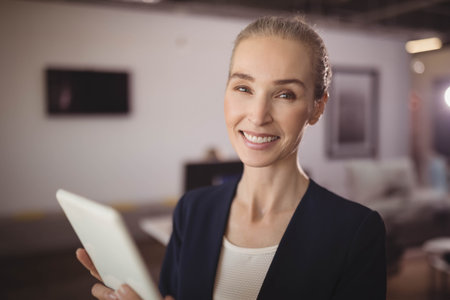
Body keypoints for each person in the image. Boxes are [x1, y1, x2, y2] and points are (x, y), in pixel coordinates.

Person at [77, 15, 386, 300]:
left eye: (284, 94)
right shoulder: (191, 210)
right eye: (243, 87)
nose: (257, 115)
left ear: (317, 108)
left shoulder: (355, 232)